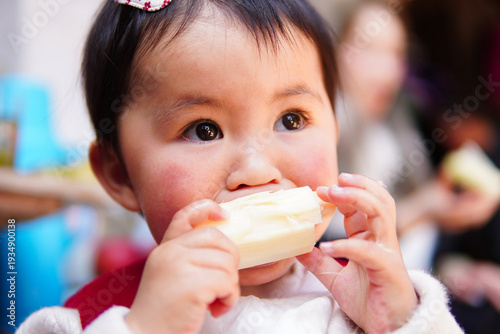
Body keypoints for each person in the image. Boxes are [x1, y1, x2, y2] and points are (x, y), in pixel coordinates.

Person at [17, 0, 463, 332]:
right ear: (118, 174)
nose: (256, 169)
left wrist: (402, 319)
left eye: (291, 120)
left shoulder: (362, 306)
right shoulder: (89, 317)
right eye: (204, 130)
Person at [323, 0, 499, 272]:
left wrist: (463, 270)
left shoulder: (396, 127)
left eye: (396, 54)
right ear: (333, 50)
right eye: (368, 49)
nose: (388, 72)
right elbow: (330, 246)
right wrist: (422, 210)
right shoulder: (321, 135)